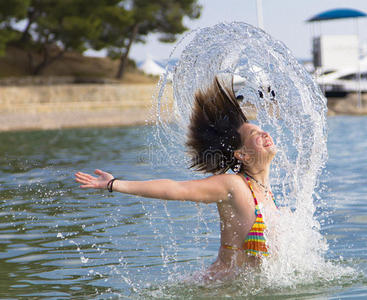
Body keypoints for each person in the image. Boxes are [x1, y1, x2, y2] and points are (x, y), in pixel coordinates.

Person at [75, 78, 278, 281]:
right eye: (255, 133)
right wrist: (114, 184)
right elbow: (175, 189)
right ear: (242, 154)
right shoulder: (234, 185)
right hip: (217, 289)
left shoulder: (266, 192)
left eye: (261, 130)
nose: (264, 133)